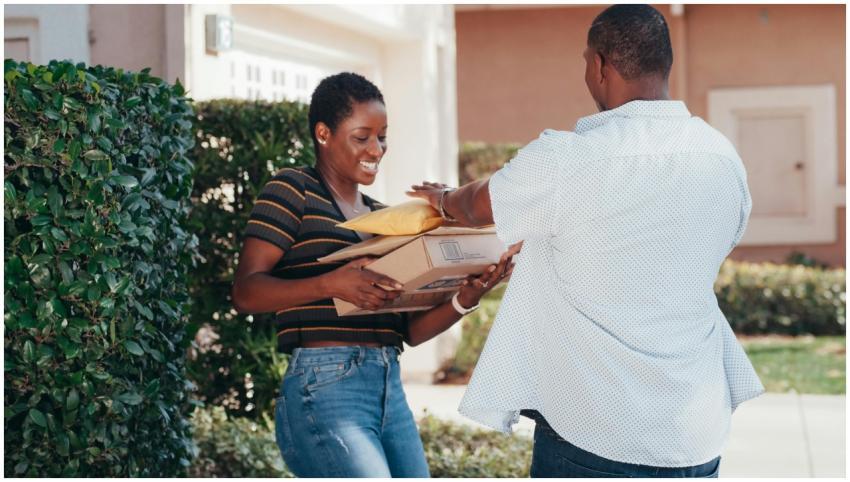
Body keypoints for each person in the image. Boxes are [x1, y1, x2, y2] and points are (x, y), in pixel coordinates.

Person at [408, 4, 763, 478]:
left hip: (596, 429)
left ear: (600, 65)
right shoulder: (723, 158)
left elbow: (478, 206)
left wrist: (444, 198)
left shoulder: (569, 160)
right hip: (694, 429)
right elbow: (723, 240)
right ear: (665, 65)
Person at [231, 72, 513, 478]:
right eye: (362, 136)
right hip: (324, 385)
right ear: (324, 133)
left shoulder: (386, 219)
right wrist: (331, 283)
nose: (376, 149)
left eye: (382, 137)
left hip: (387, 386)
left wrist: (465, 298)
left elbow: (407, 332)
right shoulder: (292, 190)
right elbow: (245, 292)